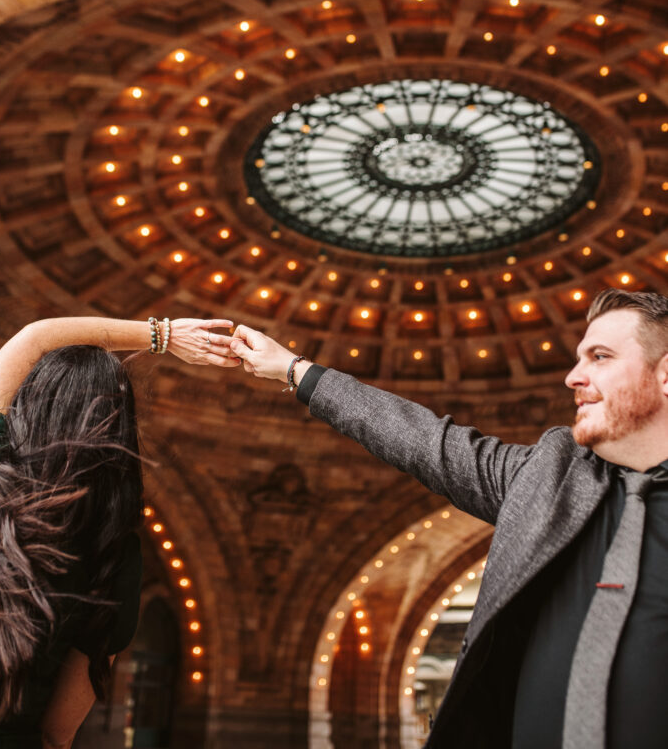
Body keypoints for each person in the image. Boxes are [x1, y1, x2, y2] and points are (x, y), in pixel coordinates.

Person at [230, 289, 668, 748]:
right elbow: (422, 441)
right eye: (579, 358)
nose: (573, 377)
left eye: (600, 357)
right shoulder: (548, 474)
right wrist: (294, 370)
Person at [0, 314, 238, 749]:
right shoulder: (116, 556)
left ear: (27, 405)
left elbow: (32, 340)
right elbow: (56, 734)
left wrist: (164, 335)